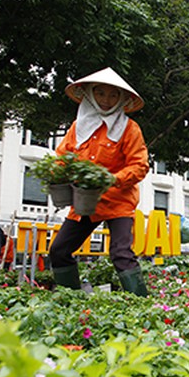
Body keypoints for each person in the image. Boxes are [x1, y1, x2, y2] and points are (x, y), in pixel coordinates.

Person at [48, 68, 150, 295]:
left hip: (118, 202)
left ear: (122, 99)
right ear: (90, 94)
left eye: (113, 95)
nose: (106, 99)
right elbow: (63, 157)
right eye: (101, 93)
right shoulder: (78, 127)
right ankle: (71, 299)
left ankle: (143, 305)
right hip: (85, 202)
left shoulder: (130, 129)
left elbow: (139, 165)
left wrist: (113, 179)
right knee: (59, 249)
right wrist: (55, 174)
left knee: (121, 253)